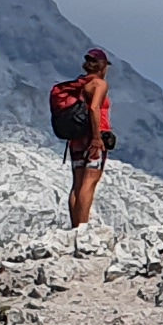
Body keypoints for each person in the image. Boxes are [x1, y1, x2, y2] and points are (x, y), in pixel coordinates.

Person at [51, 48, 116, 227]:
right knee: (90, 182)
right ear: (102, 66)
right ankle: (83, 227)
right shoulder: (99, 84)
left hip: (76, 139)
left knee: (77, 185)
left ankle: (75, 226)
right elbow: (94, 108)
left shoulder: (79, 84)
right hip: (94, 136)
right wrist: (97, 138)